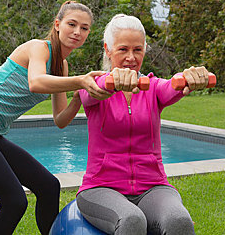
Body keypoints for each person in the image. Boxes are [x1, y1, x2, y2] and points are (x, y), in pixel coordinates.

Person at [0, 1, 112, 235]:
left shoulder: (61, 66)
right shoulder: (38, 48)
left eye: (84, 28)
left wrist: (77, 98)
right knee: (14, 201)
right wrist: (81, 80)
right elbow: (36, 82)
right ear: (57, 24)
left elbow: (60, 119)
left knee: (49, 186)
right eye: (71, 24)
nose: (77, 32)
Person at [73, 14, 208, 235]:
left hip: (152, 187)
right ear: (108, 50)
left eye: (137, 50)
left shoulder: (152, 87)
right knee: (131, 220)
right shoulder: (94, 84)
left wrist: (189, 78)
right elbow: (89, 95)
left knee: (179, 221)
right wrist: (112, 84)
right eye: (123, 49)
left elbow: (171, 86)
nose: (131, 57)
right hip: (100, 188)